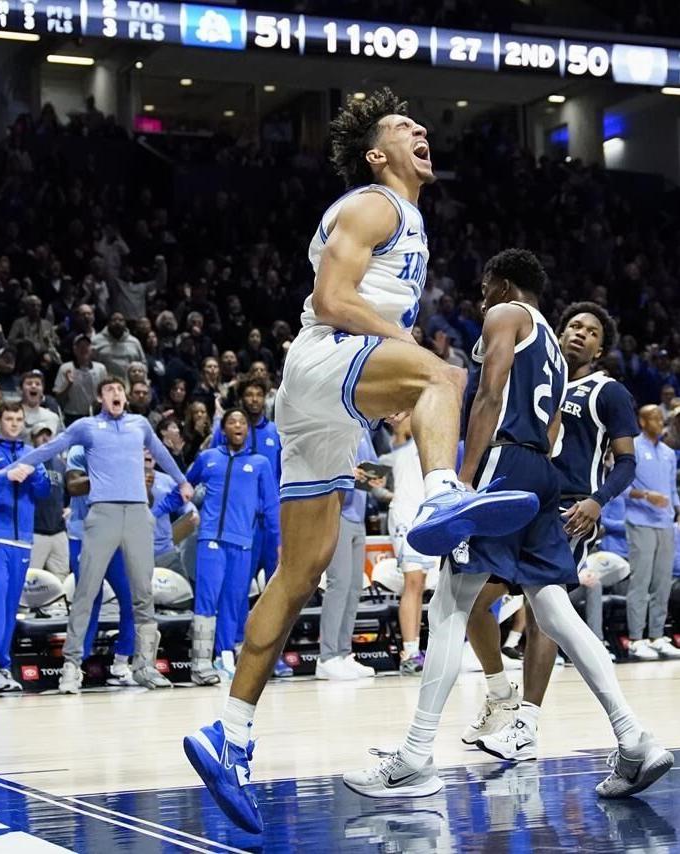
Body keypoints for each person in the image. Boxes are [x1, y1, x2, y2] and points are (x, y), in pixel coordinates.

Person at [183, 90, 539, 834]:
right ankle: (442, 496)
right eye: (405, 129)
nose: (421, 132)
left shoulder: (405, 219)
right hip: (322, 360)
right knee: (446, 371)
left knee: (301, 569)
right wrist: (410, 360)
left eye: (422, 125)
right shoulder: (376, 205)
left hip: (327, 402)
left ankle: (231, 734)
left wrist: (393, 385)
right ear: (378, 154)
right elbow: (332, 296)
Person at [342, 249, 673, 802]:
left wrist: (459, 482)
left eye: (484, 286)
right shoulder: (552, 346)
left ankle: (416, 757)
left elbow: (489, 394)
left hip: (502, 464)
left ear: (502, 282)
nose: (480, 298)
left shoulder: (506, 315)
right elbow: (547, 434)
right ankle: (634, 739)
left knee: (449, 606)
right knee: (556, 613)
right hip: (540, 474)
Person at [463, 301, 641, 758]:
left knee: (546, 614)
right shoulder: (540, 378)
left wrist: (596, 502)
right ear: (558, 334)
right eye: (574, 326)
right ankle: (500, 694)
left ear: (601, 349)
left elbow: (626, 463)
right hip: (520, 500)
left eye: (592, 331)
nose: (580, 333)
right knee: (472, 603)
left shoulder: (608, 391)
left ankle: (527, 724)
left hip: (569, 512)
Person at [8, 377, 194, 690]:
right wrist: (22, 465)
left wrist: (182, 481)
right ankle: (72, 665)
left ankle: (144, 665)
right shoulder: (88, 426)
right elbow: (54, 446)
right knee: (86, 592)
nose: (116, 394)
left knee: (143, 594)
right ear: (100, 398)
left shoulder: (140, 425)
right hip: (102, 514)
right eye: (109, 390)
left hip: (137, 513)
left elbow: (161, 453)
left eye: (120, 390)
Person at [179, 408, 279, 684]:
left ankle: (224, 657)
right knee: (207, 599)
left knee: (233, 602)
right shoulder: (208, 458)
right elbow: (185, 487)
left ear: (247, 430)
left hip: (243, 544)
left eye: (242, 422)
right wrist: (175, 509)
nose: (238, 425)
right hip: (210, 540)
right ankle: (199, 663)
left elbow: (271, 507)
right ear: (223, 429)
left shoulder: (260, 464)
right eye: (232, 421)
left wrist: (279, 543)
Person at [0, 401, 51, 691]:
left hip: (22, 539)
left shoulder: (32, 454)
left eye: (19, 418)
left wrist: (37, 474)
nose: (15, 423)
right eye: (9, 418)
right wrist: (5, 474)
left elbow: (44, 492)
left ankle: (2, 664)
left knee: (10, 601)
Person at [64, 444, 136, 687]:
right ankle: (75, 666)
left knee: (133, 599)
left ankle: (122, 662)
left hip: (115, 538)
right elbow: (73, 486)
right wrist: (106, 475)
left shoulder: (126, 452)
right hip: (83, 536)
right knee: (88, 601)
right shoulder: (79, 451)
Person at [317, 430, 387, 681]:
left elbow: (373, 475)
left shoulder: (364, 433)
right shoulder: (334, 428)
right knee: (339, 584)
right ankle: (326, 657)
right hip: (337, 514)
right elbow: (322, 469)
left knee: (355, 586)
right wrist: (348, 474)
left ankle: (344, 653)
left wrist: (376, 480)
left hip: (358, 515)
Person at [378, 414, 440, 676]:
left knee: (426, 583)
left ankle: (423, 649)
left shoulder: (429, 442)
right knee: (413, 582)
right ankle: (410, 651)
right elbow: (369, 481)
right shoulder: (395, 449)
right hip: (405, 517)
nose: (395, 418)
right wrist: (392, 495)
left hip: (428, 513)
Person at [624, 405, 680, 659]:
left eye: (661, 418)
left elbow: (672, 489)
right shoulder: (632, 447)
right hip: (640, 521)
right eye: (655, 418)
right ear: (642, 421)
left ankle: (657, 635)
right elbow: (623, 489)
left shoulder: (669, 453)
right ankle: (636, 638)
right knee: (641, 582)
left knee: (662, 583)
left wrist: (677, 510)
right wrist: (646, 495)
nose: (660, 422)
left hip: (666, 524)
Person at [28, 425, 69, 581]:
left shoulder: (60, 464)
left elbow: (70, 491)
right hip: (36, 531)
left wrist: (70, 508)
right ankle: (26, 607)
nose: (45, 439)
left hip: (59, 531)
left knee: (61, 577)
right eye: (40, 435)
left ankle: (57, 606)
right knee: (30, 579)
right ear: (33, 439)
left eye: (48, 435)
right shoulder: (28, 463)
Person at [53, 334, 107, 425]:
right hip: (73, 416)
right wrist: (68, 384)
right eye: (80, 346)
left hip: (96, 415)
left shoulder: (100, 368)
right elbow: (59, 398)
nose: (83, 348)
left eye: (86, 346)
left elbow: (106, 393)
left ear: (91, 349)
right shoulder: (66, 368)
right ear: (74, 349)